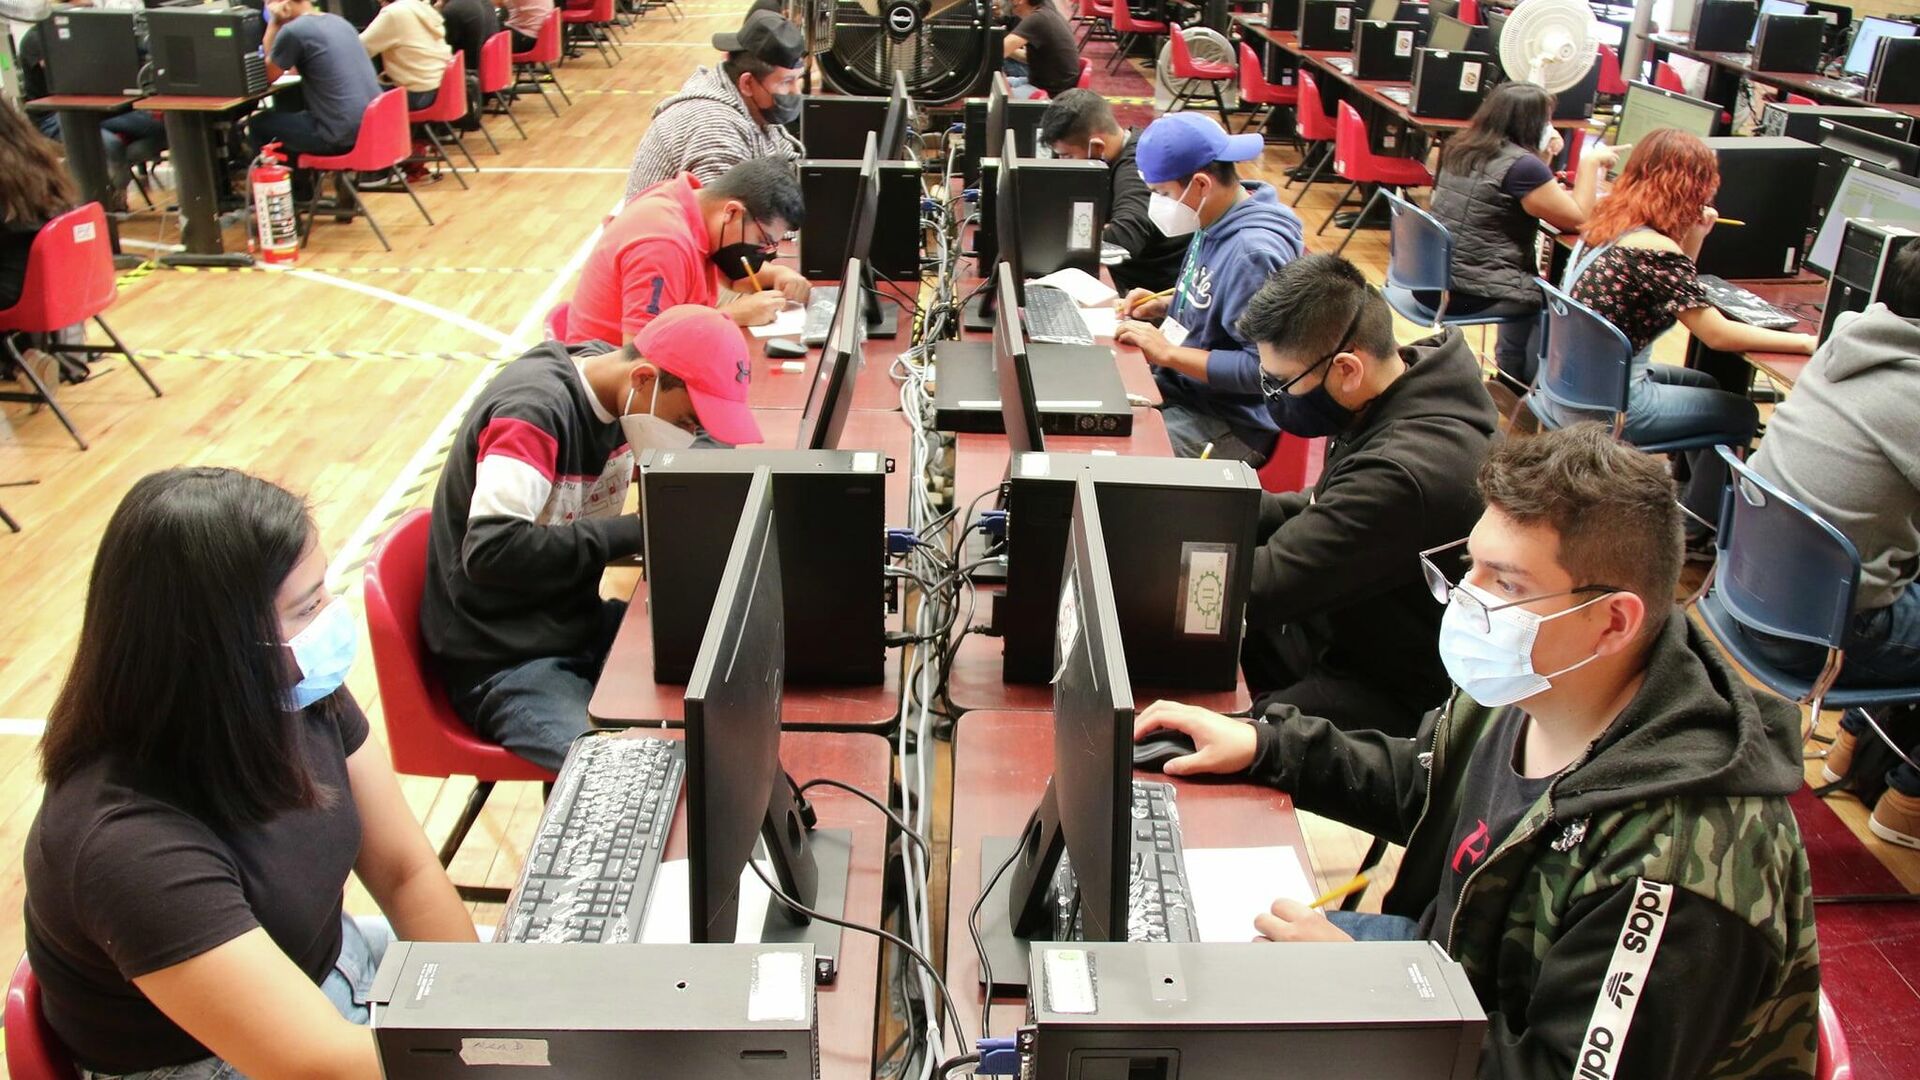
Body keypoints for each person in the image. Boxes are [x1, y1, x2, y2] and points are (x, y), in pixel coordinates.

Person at [1134, 424, 1819, 1079]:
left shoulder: (1676, 871)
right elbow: (1427, 785)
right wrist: (1266, 744)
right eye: (1471, 568)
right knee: (1176, 981)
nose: (1467, 602)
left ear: (1613, 621)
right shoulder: (1539, 681)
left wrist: (1368, 997)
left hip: (1478, 1034)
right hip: (1449, 981)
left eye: (1508, 583)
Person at [23, 467, 479, 1079]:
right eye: (307, 607)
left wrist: (479, 1007)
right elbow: (316, 1063)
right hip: (225, 1061)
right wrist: (496, 1052)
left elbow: (406, 872)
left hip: (333, 971)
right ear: (218, 646)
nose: (330, 619)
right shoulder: (126, 847)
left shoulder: (293, 690)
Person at [423, 307, 760, 771]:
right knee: (617, 777)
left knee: (736, 654)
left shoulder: (617, 387)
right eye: (686, 422)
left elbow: (698, 442)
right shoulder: (533, 414)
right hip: (503, 658)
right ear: (643, 378)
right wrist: (638, 530)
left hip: (575, 624)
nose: (688, 435)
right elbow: (490, 551)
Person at [1234, 254, 1497, 735]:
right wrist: (1203, 506)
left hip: (1386, 684)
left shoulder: (1402, 473)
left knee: (1220, 729)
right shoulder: (1397, 386)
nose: (1272, 394)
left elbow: (1258, 590)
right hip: (1343, 622)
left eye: (1280, 383)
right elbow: (1321, 507)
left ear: (1347, 369)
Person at [1544, 128, 1815, 535]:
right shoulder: (1655, 249)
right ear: (1690, 190)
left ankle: (1688, 497)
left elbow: (1674, 290)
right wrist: (1807, 342)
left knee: (1708, 384)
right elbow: (1717, 335)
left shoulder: (1606, 222)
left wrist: (1696, 237)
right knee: (1740, 413)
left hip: (1569, 387)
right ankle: (1694, 527)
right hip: (1612, 407)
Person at [1743, 242, 1920, 848]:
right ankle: (1907, 801)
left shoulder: (1848, 342)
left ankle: (1851, 747)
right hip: (1816, 638)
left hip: (1752, 599)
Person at [1114, 112, 1304, 465]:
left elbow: (1265, 370)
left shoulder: (1252, 253)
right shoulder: (1215, 216)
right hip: (1184, 391)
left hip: (1227, 421)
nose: (1158, 203)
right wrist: (1168, 302)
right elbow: (1220, 295)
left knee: (1109, 457)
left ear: (1201, 184)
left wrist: (1168, 354)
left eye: (1162, 193)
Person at [1429, 82, 1613, 386]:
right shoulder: (1522, 166)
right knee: (1552, 302)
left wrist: (1542, 158)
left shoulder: (1462, 146)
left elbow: (1526, 188)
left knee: (1527, 288)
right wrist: (1590, 162)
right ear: (1530, 123)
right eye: (1546, 120)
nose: (1550, 127)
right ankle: (1524, 384)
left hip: (1437, 279)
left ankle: (1509, 378)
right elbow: (1580, 219)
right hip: (1471, 290)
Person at [569, 157, 809, 342]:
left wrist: (777, 275)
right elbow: (640, 352)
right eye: (762, 240)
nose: (763, 251)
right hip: (610, 375)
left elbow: (732, 278)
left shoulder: (692, 205)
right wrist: (731, 316)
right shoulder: (663, 243)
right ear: (732, 212)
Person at [622, 9, 806, 202]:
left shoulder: (753, 109)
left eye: (798, 80)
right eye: (786, 82)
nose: (796, 91)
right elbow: (726, 216)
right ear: (747, 83)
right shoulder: (715, 129)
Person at [1040, 89, 1187, 295]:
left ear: (1096, 147)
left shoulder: (1136, 167)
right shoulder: (1122, 149)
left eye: (1067, 156)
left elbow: (1124, 239)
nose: (1063, 163)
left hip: (1149, 290)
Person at [0, 98, 82, 393]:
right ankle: (24, 359)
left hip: (16, 292)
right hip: (58, 283)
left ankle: (20, 361)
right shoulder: (37, 159)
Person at [257, 0, 385, 159]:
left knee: (258, 123)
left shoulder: (294, 31)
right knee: (296, 114)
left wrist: (274, 23)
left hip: (340, 135)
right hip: (371, 127)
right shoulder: (339, 22)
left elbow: (268, 76)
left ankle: (285, 174)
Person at [360, 0, 454, 110]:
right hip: (438, 87)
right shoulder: (421, 5)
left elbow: (358, 50)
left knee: (354, 96)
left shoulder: (393, 13)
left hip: (417, 94)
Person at [1002, 0, 1081, 100]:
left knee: (992, 95)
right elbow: (1026, 57)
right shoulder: (1047, 9)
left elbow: (998, 51)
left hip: (1052, 93)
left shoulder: (1038, 19)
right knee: (999, 82)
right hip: (1047, 83)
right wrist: (1008, 49)